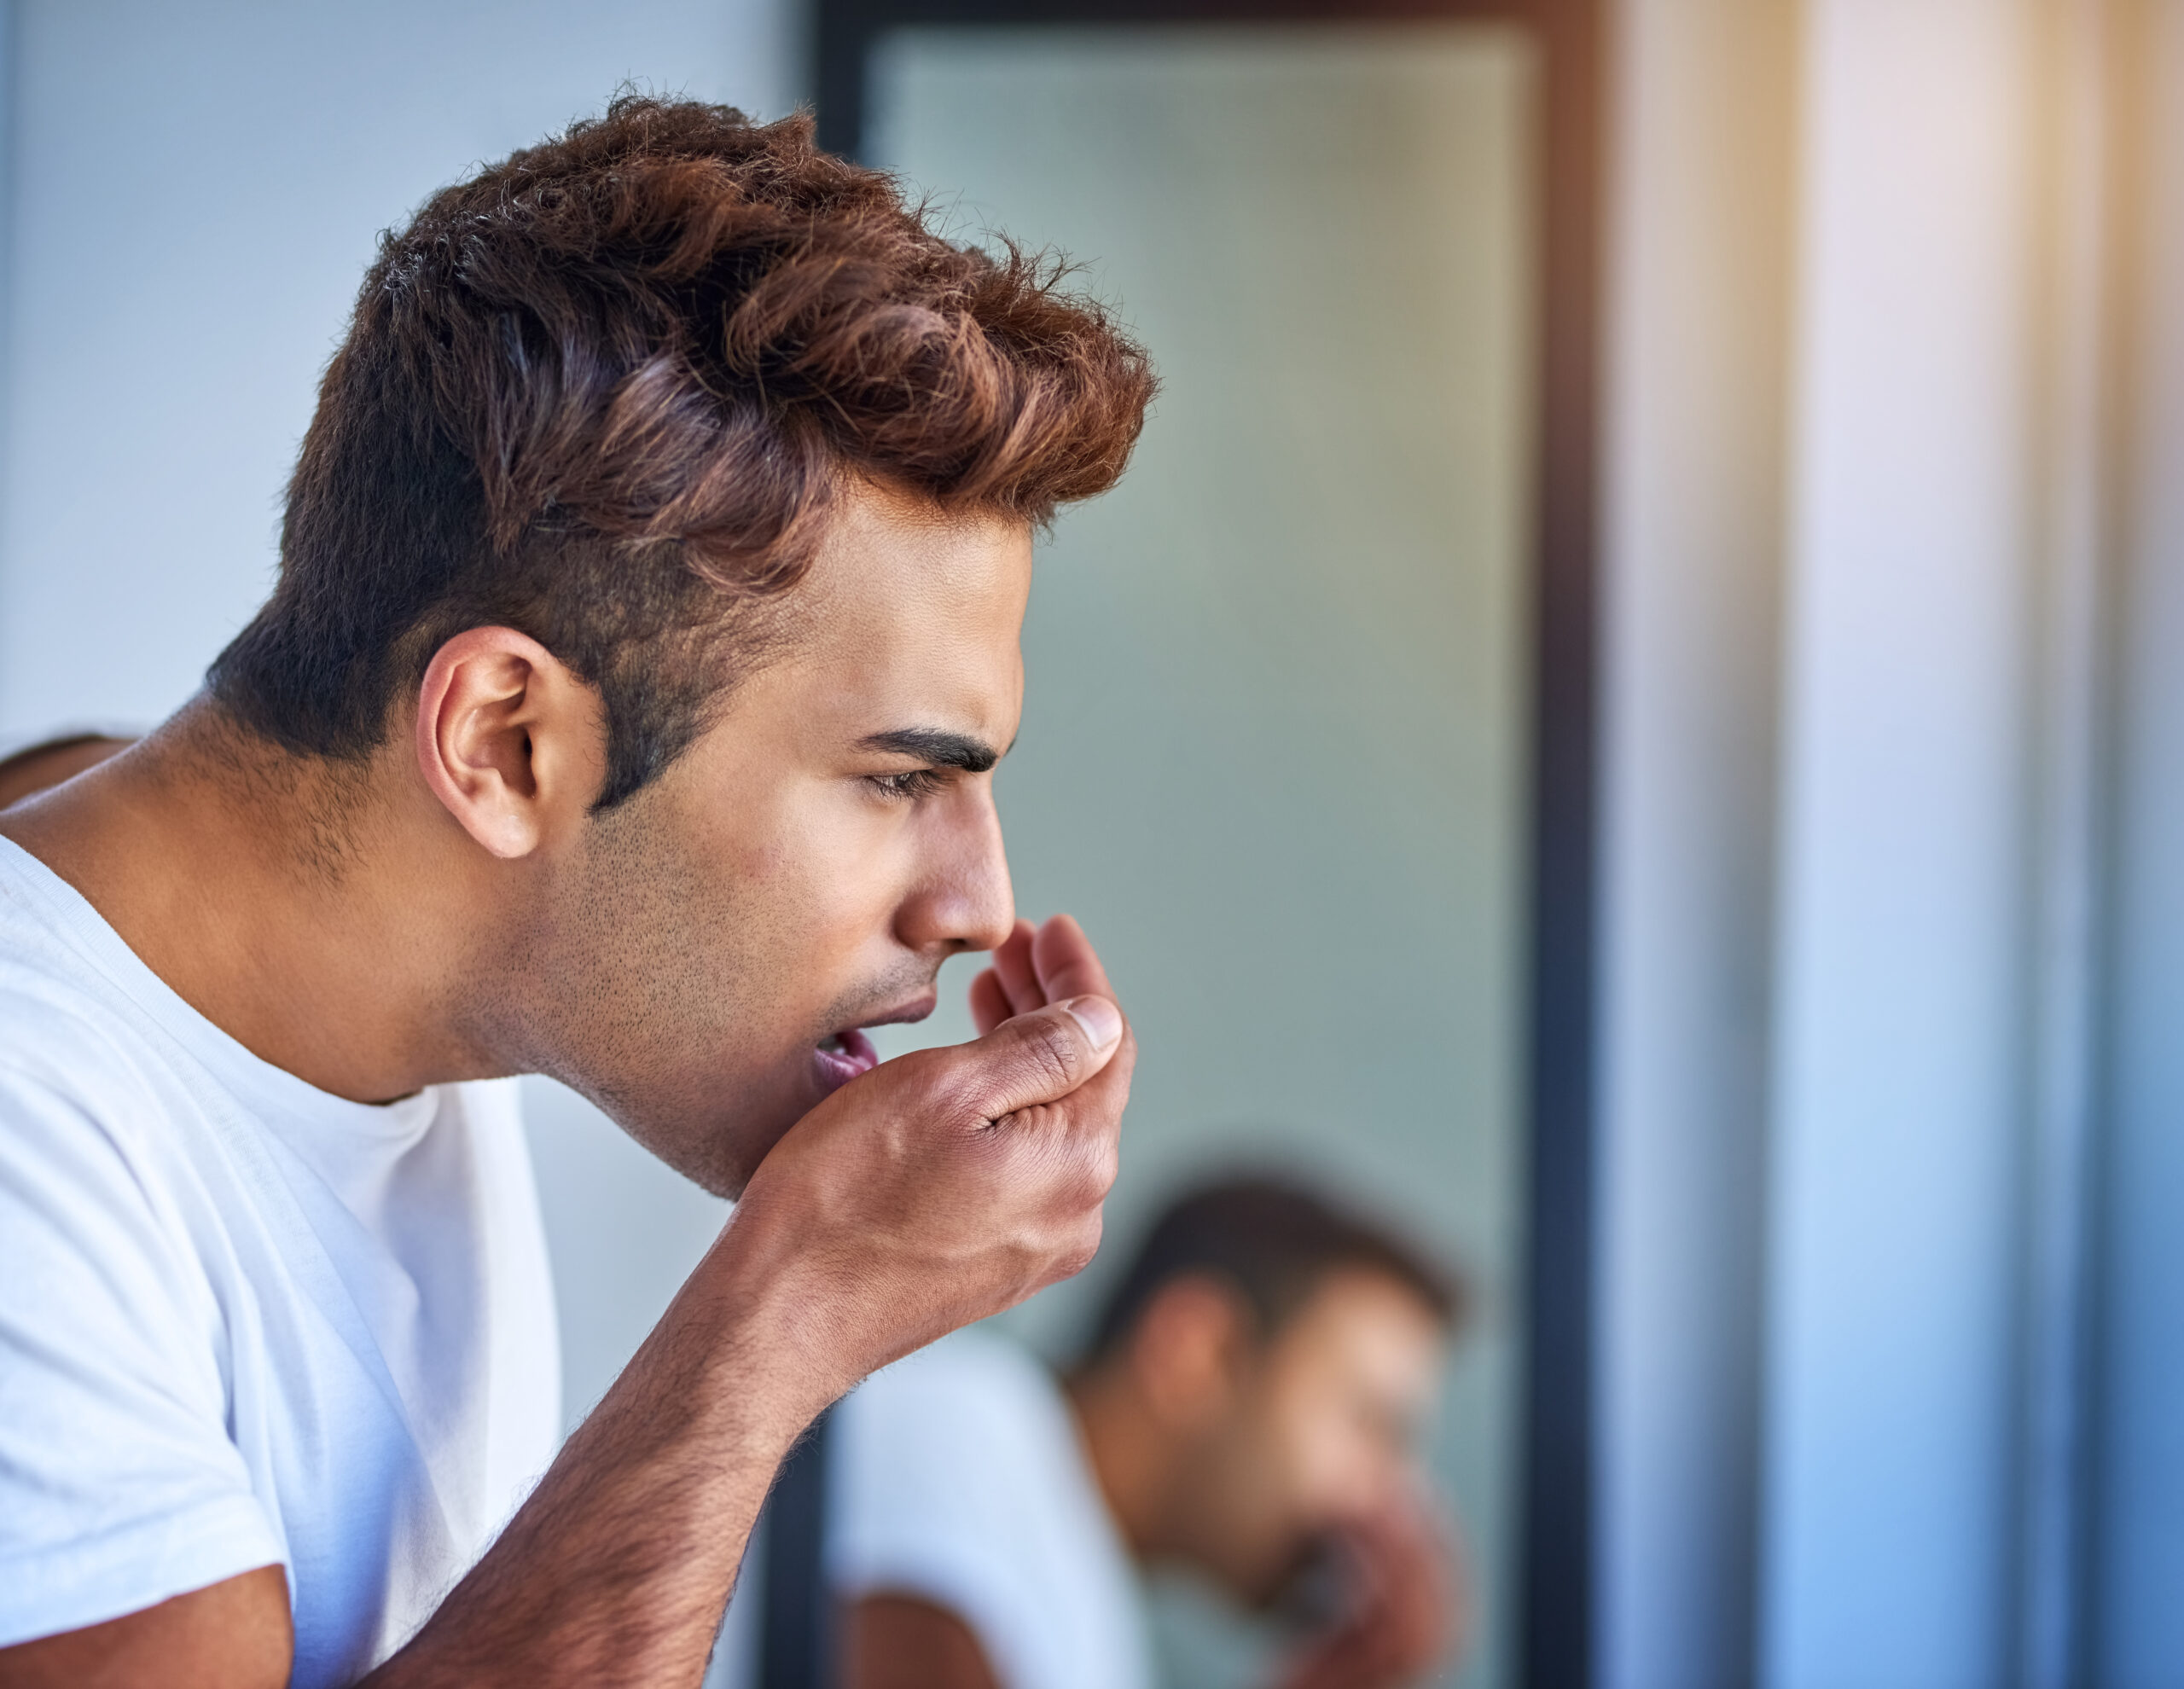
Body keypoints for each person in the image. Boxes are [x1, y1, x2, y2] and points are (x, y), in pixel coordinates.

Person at [0, 96, 1154, 1688]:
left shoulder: (370, 958)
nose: (977, 904)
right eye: (899, 780)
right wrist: (782, 1319)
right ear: (505, 741)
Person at [772, 1176, 1467, 1689]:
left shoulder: (1100, 1619)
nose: (1390, 1495)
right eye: (1369, 1424)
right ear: (1197, 1353)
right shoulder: (967, 1419)